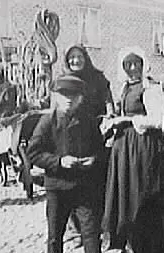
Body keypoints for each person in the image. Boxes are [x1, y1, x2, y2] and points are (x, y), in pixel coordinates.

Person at [26, 75, 116, 253]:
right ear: (55, 96)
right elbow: (33, 153)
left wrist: (94, 159)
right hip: (57, 187)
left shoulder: (87, 121)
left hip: (83, 185)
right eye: (63, 95)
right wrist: (59, 161)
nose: (68, 100)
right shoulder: (48, 121)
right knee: (56, 231)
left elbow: (100, 149)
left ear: (80, 99)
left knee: (90, 230)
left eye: (73, 96)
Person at [101, 46, 164, 253]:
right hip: (126, 149)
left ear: (143, 65)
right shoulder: (125, 88)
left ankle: (152, 246)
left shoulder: (149, 88)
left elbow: (158, 120)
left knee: (144, 193)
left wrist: (128, 121)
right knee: (127, 195)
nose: (132, 68)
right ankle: (132, 242)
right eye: (128, 65)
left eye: (136, 64)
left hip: (145, 147)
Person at [61, 44, 115, 231]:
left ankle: (98, 224)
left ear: (86, 58)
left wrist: (108, 117)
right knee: (71, 179)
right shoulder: (65, 79)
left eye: (79, 56)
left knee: (95, 179)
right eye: (71, 57)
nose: (75, 61)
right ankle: (76, 225)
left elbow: (108, 102)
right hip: (71, 134)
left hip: (95, 133)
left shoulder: (98, 78)